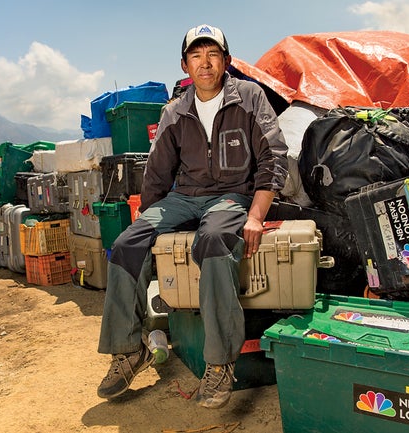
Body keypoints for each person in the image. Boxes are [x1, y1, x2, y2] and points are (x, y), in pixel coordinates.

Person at [97, 24, 288, 409]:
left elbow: (274, 158)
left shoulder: (249, 97)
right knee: (126, 243)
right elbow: (156, 175)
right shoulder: (175, 111)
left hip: (232, 197)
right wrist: (148, 226)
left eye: (213, 54)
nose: (205, 62)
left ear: (226, 61)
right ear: (185, 64)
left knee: (215, 241)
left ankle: (219, 364)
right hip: (184, 197)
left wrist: (255, 215)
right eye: (197, 55)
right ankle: (130, 350)